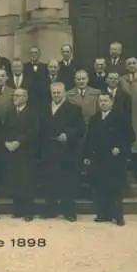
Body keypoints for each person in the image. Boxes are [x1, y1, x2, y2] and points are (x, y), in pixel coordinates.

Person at [84, 93, 135, 226]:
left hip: (114, 159)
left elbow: (130, 136)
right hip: (98, 159)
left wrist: (120, 148)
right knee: (100, 187)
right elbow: (89, 139)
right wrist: (88, 156)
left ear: (111, 102)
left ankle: (118, 216)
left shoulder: (121, 117)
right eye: (101, 101)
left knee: (115, 188)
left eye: (106, 101)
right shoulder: (95, 119)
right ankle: (103, 215)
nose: (103, 103)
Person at [40, 82, 86, 221]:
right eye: (54, 92)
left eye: (59, 92)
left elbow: (81, 128)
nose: (56, 95)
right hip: (49, 150)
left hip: (67, 151)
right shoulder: (44, 108)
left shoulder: (74, 109)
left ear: (64, 93)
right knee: (50, 181)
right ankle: (50, 210)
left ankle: (69, 211)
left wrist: (68, 134)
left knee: (68, 182)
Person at [2, 88, 40, 221]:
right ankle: (17, 210)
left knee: (26, 182)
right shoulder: (10, 112)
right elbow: (4, 129)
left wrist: (19, 142)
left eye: (18, 95)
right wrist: (6, 142)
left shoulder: (33, 112)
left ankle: (28, 211)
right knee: (15, 181)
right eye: (14, 95)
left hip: (26, 151)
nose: (15, 98)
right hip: (12, 152)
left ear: (25, 97)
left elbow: (34, 131)